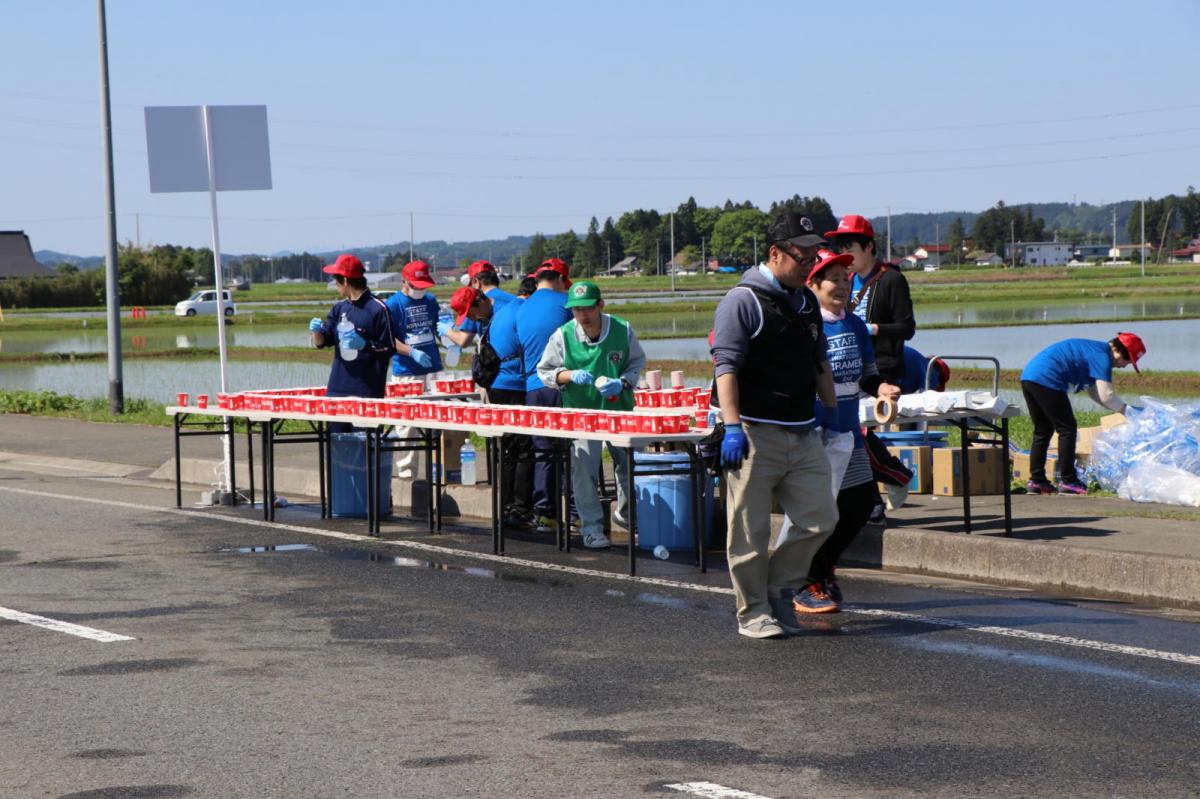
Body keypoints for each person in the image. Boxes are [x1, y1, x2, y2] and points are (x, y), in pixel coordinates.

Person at [710, 212, 841, 639]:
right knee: (750, 529)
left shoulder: (806, 302)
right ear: (775, 253)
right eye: (802, 255)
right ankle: (753, 612)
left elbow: (819, 359)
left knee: (820, 517)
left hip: (803, 430)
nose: (810, 263)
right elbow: (725, 368)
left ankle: (779, 590)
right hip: (754, 431)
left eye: (813, 254)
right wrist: (731, 427)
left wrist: (831, 407)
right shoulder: (742, 300)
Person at [798, 249, 901, 612]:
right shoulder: (806, 326)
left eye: (846, 278)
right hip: (812, 433)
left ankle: (820, 571)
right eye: (833, 279)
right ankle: (807, 581)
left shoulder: (855, 324)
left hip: (847, 432)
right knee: (819, 511)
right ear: (813, 284)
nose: (842, 285)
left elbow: (868, 375)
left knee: (859, 506)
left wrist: (882, 388)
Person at [537, 280, 645, 549]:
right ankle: (592, 527)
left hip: (619, 409)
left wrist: (623, 382)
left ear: (600, 305)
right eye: (576, 310)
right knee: (584, 470)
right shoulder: (563, 335)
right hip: (582, 413)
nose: (583, 315)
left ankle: (627, 515)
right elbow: (545, 371)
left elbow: (636, 362)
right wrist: (569, 375)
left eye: (587, 308)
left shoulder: (622, 329)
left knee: (629, 463)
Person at [826, 214, 917, 522]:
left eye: (850, 246)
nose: (846, 255)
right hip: (846, 371)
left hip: (880, 372)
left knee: (856, 435)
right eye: (840, 246)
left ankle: (892, 480)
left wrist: (871, 329)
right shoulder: (846, 281)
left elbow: (907, 327)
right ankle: (877, 497)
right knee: (850, 435)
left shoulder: (891, 279)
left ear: (869, 247)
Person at [1020, 333, 1146, 495]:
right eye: (1128, 361)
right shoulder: (1102, 356)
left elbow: (1096, 394)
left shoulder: (1095, 351)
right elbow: (1107, 395)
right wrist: (1129, 412)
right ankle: (1069, 481)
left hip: (1029, 376)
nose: (1124, 366)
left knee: (1043, 431)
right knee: (1067, 429)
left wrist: (1121, 409)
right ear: (1121, 352)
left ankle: (1037, 481)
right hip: (1047, 378)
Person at [467, 282, 535, 525]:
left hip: (497, 385)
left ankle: (506, 507)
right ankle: (520, 509)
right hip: (515, 384)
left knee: (506, 447)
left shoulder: (502, 313)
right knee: (524, 447)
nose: (473, 318)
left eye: (472, 313)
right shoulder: (520, 310)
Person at [515, 258, 573, 530]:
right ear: (561, 279)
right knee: (572, 449)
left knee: (544, 453)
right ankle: (575, 513)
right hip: (562, 385)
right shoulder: (566, 303)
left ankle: (545, 513)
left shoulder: (523, 308)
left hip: (532, 389)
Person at [308, 254, 395, 405]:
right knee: (337, 430)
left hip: (367, 391)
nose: (335, 284)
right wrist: (316, 332)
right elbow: (322, 342)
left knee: (364, 430)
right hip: (337, 390)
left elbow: (389, 348)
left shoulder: (378, 309)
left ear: (346, 281)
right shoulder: (339, 308)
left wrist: (365, 345)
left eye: (336, 280)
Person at [384, 260, 442, 477]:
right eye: (416, 285)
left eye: (423, 286)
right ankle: (407, 472)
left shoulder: (431, 301)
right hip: (407, 371)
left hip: (433, 367)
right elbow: (389, 339)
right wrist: (411, 351)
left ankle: (440, 470)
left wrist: (449, 338)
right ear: (404, 281)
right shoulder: (393, 304)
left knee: (438, 419)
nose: (420, 290)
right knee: (407, 424)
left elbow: (438, 328)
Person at [441, 261, 517, 347]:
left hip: (495, 356)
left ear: (476, 282)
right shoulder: (515, 299)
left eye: (471, 285)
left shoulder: (475, 303)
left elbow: (463, 340)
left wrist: (446, 330)